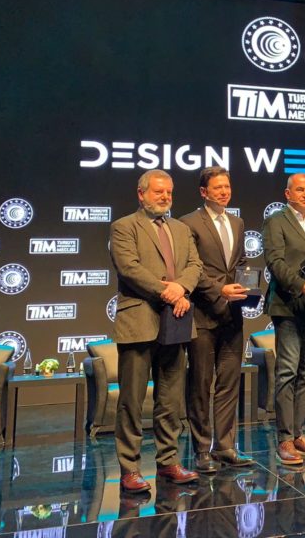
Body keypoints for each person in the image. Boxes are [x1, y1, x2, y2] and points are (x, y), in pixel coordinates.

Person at [109, 169, 201, 493]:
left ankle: (168, 461)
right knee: (132, 401)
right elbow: (129, 268)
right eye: (158, 192)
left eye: (169, 192)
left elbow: (195, 266)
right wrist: (169, 292)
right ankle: (130, 469)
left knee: (171, 399)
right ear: (141, 194)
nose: (165, 197)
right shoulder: (124, 226)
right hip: (139, 321)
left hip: (176, 320)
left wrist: (182, 288)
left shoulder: (181, 229)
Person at [179, 166, 253, 473]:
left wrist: (247, 285)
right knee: (200, 384)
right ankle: (201, 449)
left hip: (233, 315)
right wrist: (219, 291)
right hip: (202, 315)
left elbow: (240, 262)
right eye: (218, 187)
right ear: (203, 192)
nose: (224, 192)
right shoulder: (188, 223)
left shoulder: (237, 222)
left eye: (227, 186)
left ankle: (224, 447)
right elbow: (191, 269)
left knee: (229, 384)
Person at [262, 172, 305, 466]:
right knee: (287, 373)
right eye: (300, 190)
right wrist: (301, 285)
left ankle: (299, 433)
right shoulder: (275, 221)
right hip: (288, 305)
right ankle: (285, 438)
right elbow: (275, 262)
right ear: (287, 193)